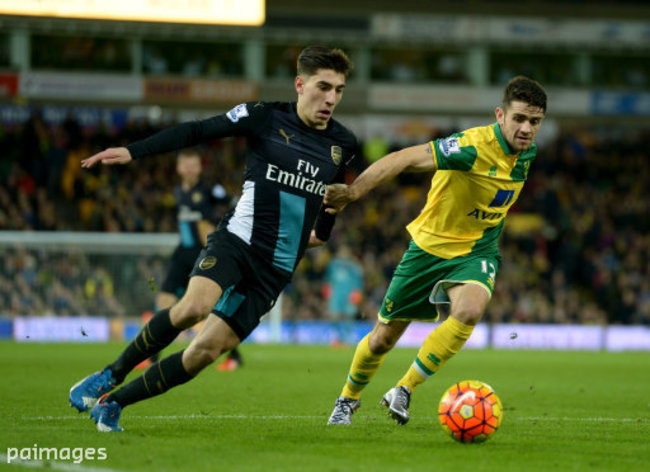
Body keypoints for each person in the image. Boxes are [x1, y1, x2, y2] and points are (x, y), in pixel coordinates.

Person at [69, 45, 357, 432]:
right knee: (193, 307)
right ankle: (109, 374)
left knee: (204, 351)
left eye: (339, 90)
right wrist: (133, 152)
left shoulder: (343, 145)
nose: (331, 98)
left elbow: (327, 213)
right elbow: (199, 130)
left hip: (276, 269)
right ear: (300, 84)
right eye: (324, 87)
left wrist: (323, 227)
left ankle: (113, 403)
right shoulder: (264, 116)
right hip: (237, 241)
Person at [325, 76, 547, 425]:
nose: (526, 128)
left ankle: (404, 388)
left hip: (478, 248)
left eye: (534, 121)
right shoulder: (470, 147)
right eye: (519, 118)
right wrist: (354, 192)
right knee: (382, 340)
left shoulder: (528, 152)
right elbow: (404, 157)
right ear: (500, 115)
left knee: (470, 310)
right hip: (428, 248)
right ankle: (347, 400)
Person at [135, 148, 243, 371]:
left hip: (203, 255)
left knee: (210, 307)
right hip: (181, 254)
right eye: (186, 164)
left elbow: (237, 204)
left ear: (200, 167)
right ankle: (153, 357)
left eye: (194, 164)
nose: (190, 168)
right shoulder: (178, 192)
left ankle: (235, 356)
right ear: (178, 168)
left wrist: (219, 230)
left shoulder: (210, 190)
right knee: (164, 302)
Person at [323, 244, 364, 346]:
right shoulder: (332, 265)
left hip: (349, 295)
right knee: (334, 316)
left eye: (345, 252)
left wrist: (357, 293)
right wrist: (327, 292)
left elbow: (359, 282)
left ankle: (347, 339)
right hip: (336, 294)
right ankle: (336, 338)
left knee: (348, 317)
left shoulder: (354, 266)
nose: (343, 254)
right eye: (341, 251)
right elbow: (327, 280)